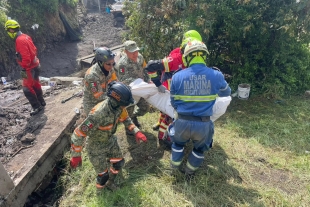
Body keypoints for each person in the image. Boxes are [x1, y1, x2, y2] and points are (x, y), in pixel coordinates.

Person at [169, 40, 231, 178]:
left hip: (182, 122)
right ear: (204, 56)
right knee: (199, 149)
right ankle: (189, 172)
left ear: (187, 57)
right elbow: (226, 93)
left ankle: (174, 169)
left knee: (178, 144)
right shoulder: (216, 75)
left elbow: (173, 102)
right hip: (203, 125)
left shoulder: (176, 77)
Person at [70, 81, 147, 191]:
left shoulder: (118, 107)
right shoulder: (98, 114)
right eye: (125, 104)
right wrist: (76, 155)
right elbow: (78, 134)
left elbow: (126, 119)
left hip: (110, 141)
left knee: (119, 163)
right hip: (96, 147)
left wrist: (136, 131)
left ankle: (110, 182)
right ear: (117, 101)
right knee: (103, 175)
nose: (126, 106)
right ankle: (100, 191)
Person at [144, 30, 202, 144]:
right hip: (169, 90)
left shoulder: (191, 59)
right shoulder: (176, 58)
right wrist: (158, 84)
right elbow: (151, 66)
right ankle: (163, 138)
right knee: (171, 116)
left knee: (166, 112)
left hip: (178, 89)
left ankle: (160, 124)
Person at [4, 19, 46, 116]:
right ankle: (42, 102)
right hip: (36, 65)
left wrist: (24, 68)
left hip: (29, 68)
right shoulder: (26, 36)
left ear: (11, 30)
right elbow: (34, 49)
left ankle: (36, 106)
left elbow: (26, 57)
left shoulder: (19, 40)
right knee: (35, 84)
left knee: (27, 88)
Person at [114, 40, 150, 128]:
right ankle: (129, 129)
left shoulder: (140, 57)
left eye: (136, 51)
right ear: (126, 51)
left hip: (141, 88)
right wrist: (137, 80)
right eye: (132, 52)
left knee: (145, 108)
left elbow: (145, 69)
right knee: (128, 112)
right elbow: (123, 80)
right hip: (129, 92)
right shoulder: (122, 64)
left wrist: (148, 80)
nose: (135, 54)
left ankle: (134, 117)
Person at [83, 47, 118, 115]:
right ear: (101, 62)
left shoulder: (109, 68)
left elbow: (115, 81)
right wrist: (117, 96)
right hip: (93, 105)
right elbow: (99, 96)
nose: (111, 66)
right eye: (108, 64)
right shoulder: (92, 75)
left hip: (107, 97)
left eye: (113, 63)